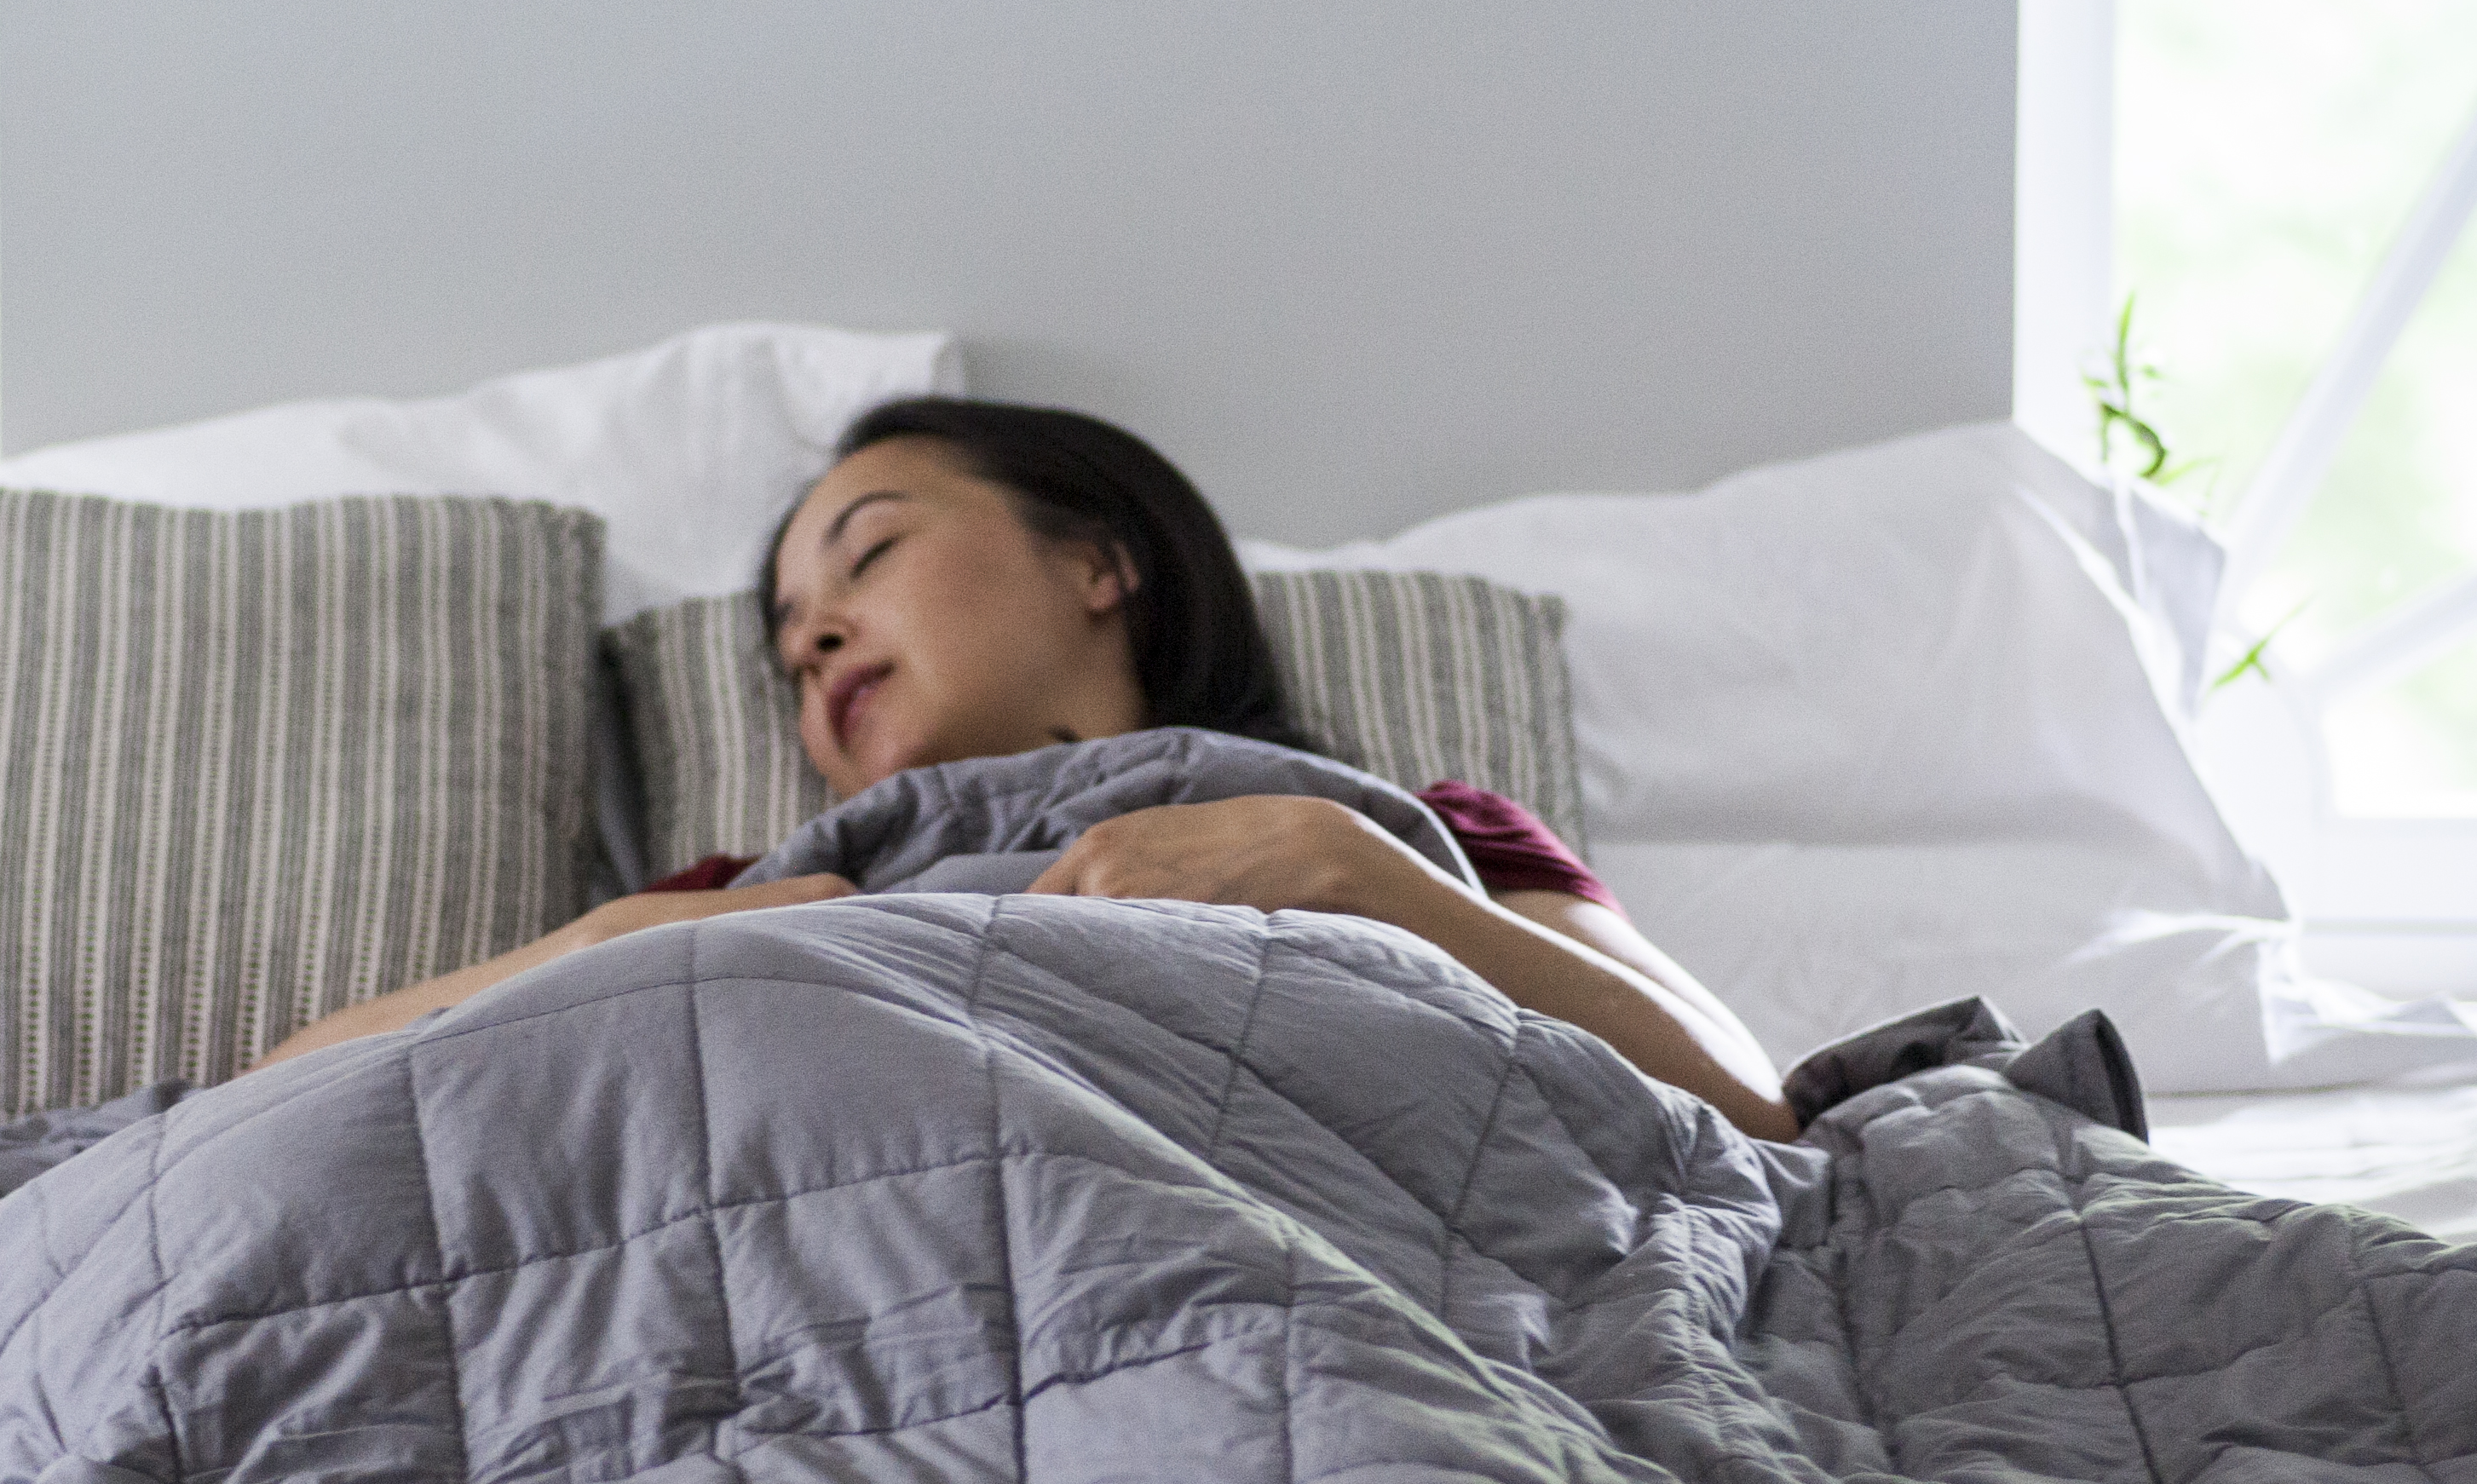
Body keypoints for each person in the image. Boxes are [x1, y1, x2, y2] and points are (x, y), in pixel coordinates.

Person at [262, 398, 1799, 1138]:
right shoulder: (746, 896)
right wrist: (616, 946)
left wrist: (1351, 876)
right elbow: (273, 1103)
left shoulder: (1420, 837)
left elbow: (1750, 1107)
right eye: (790, 639)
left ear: (1098, 563)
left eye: (868, 555)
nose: (815, 641)